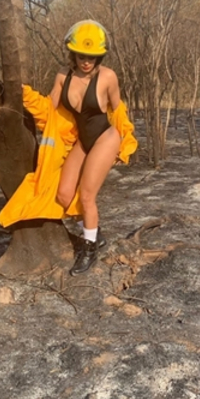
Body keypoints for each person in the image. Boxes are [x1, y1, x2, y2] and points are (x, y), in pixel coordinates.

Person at [49, 20, 123, 275]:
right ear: (73, 53)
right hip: (82, 140)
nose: (87, 62)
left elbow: (119, 110)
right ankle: (95, 232)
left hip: (105, 137)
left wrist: (123, 144)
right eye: (82, 56)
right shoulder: (63, 76)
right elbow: (50, 108)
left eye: (93, 57)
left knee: (87, 195)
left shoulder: (108, 77)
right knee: (64, 195)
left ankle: (89, 249)